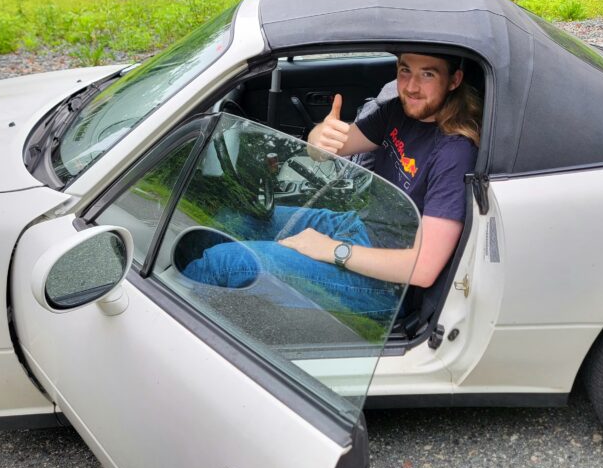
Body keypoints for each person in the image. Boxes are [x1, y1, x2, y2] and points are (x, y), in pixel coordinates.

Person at [183, 52, 481, 318]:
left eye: (427, 74)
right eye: (405, 71)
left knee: (225, 263)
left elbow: (423, 269)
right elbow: (329, 149)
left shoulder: (454, 152)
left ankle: (169, 326)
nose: (412, 86)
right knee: (231, 221)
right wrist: (318, 137)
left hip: (386, 284)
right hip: (358, 228)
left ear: (454, 80)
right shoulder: (397, 112)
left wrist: (332, 250)